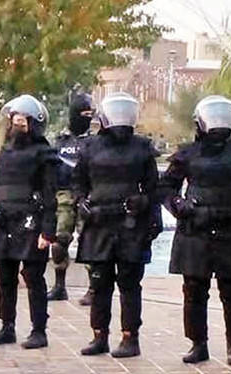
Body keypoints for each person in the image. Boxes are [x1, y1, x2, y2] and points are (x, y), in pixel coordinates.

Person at [159, 95, 231, 366]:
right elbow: (166, 187)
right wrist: (179, 205)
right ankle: (198, 344)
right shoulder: (187, 153)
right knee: (194, 290)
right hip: (195, 227)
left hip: (230, 226)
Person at [73, 92, 161, 358]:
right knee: (99, 283)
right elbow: (78, 181)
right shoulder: (90, 147)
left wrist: (145, 205)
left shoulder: (142, 148)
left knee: (129, 284)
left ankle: (130, 338)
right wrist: (81, 202)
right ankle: (99, 335)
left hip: (130, 223)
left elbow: (154, 188)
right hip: (99, 221)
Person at [0, 95, 58, 349]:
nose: (18, 126)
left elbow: (49, 195)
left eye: (23, 122)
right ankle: (7, 326)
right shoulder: (4, 154)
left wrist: (47, 231)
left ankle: (39, 330)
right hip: (5, 220)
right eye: (15, 122)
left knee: (33, 277)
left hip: (31, 221)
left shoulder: (44, 155)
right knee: (5, 276)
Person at [47, 93, 95, 306]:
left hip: (87, 195)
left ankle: (93, 289)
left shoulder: (94, 142)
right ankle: (59, 286)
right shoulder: (60, 141)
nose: (87, 118)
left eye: (89, 115)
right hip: (63, 194)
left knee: (89, 241)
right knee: (59, 241)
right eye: (83, 114)